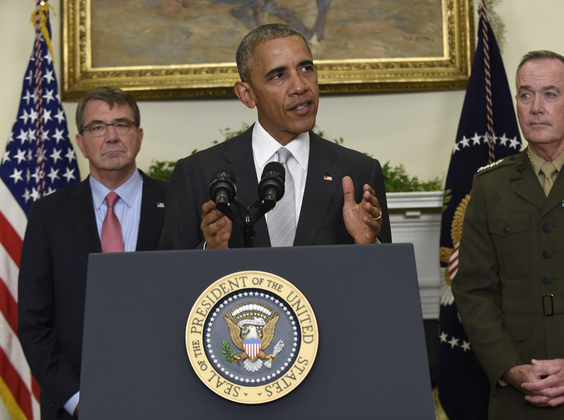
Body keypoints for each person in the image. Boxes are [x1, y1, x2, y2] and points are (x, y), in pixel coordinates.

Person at [451, 50, 564, 419]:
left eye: (550, 94)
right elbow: (472, 291)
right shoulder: (490, 185)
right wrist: (509, 368)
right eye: (525, 94)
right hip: (520, 392)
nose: (536, 107)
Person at [159, 23, 390, 250]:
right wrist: (211, 249)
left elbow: (387, 280)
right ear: (247, 95)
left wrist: (368, 245)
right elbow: (170, 279)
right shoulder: (196, 174)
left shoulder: (359, 172)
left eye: (306, 68)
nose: (300, 86)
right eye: (279, 75)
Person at [17, 87, 169, 419]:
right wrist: (79, 401)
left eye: (122, 124)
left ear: (139, 136)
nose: (111, 137)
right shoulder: (48, 215)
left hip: (167, 397)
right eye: (98, 127)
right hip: (76, 406)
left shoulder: (176, 203)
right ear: (81, 141)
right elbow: (34, 324)